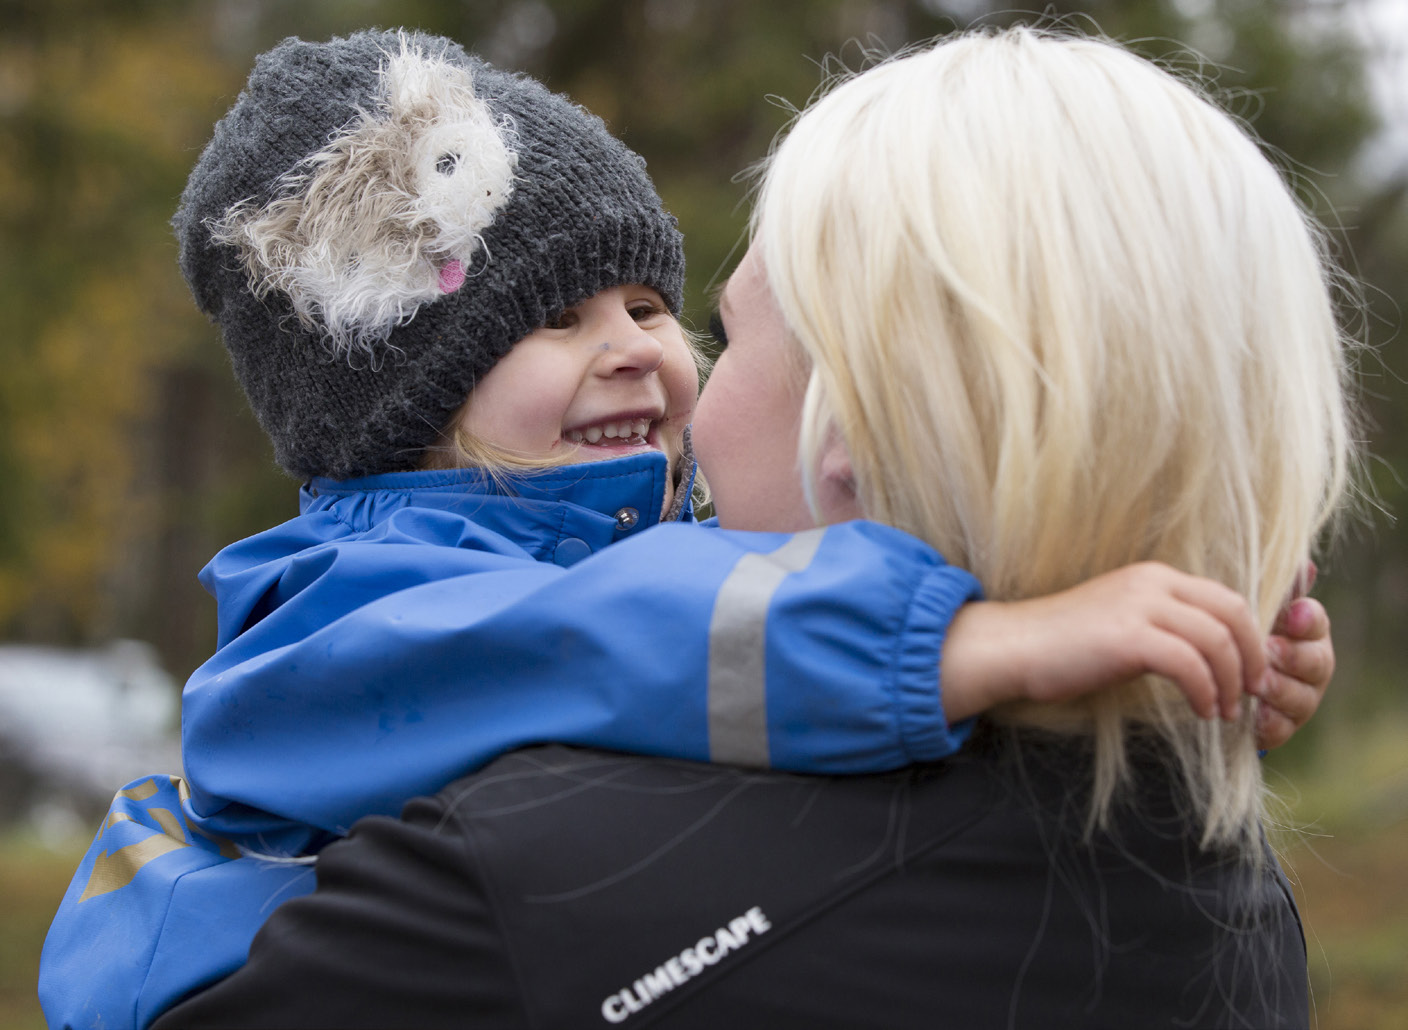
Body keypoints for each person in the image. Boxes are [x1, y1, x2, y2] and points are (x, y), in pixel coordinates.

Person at [43, 28, 1332, 1030]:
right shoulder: (363, 598)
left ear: (851, 433)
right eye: (550, 324)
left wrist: (1172, 626)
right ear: (412, 409)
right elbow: (608, 637)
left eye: (660, 309)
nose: (640, 356)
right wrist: (968, 642)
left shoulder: (627, 617)